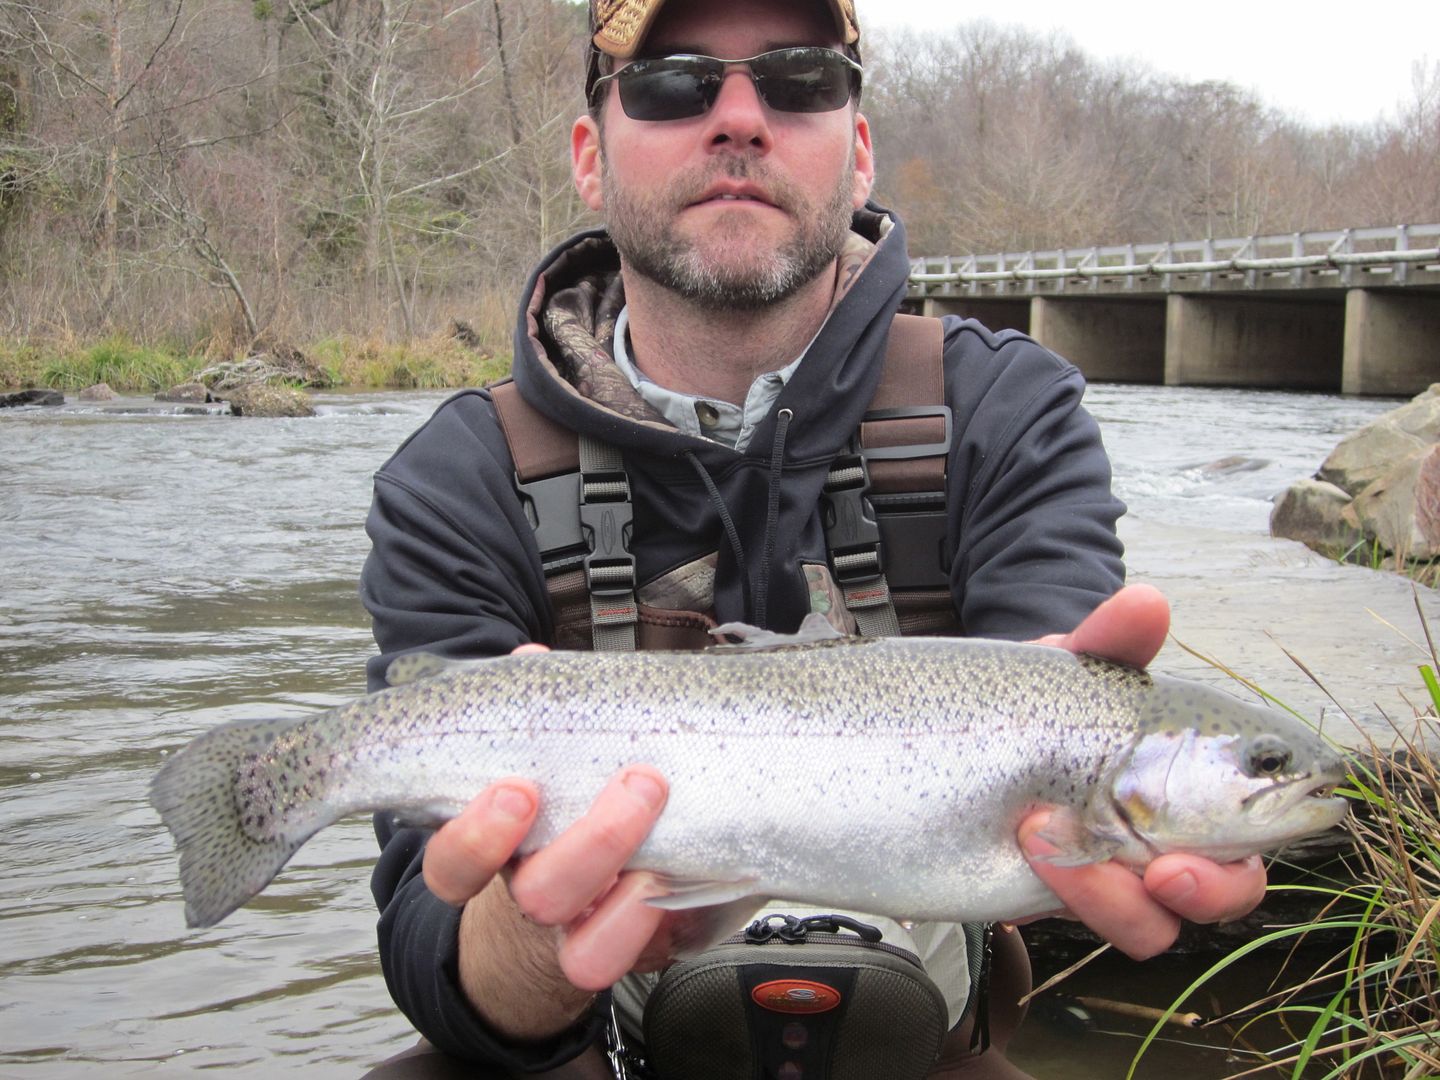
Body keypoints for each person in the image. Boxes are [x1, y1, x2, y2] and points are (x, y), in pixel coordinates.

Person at [359, 0, 1268, 1075]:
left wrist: (1181, 887)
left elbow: (1083, 817)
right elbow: (425, 939)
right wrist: (535, 942)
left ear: (862, 150)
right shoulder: (460, 474)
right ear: (590, 159)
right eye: (673, 82)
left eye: (797, 80)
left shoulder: (1003, 410)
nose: (739, 117)